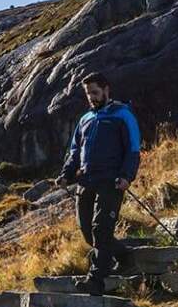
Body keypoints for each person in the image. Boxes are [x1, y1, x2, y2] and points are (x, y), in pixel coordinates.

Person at [56, 71, 141, 293]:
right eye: (87, 94)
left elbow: (133, 149)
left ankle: (96, 280)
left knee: (101, 228)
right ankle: (124, 256)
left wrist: (126, 176)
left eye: (94, 92)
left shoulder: (123, 115)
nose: (91, 97)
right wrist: (66, 174)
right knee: (87, 231)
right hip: (86, 180)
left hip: (112, 181)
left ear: (106, 90)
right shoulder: (86, 119)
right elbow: (74, 151)